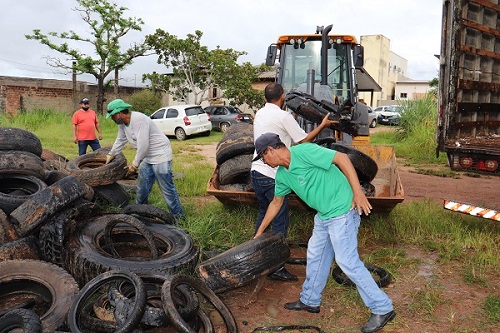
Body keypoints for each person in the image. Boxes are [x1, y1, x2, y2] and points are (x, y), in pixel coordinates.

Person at [253, 132, 395, 333]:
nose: (264, 162)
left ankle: (383, 308)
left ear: (270, 150)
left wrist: (357, 191)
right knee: (316, 255)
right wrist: (259, 232)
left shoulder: (303, 152)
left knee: (347, 261)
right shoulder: (283, 175)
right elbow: (276, 203)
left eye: (262, 156)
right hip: (324, 215)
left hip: (342, 210)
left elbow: (342, 158)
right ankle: (310, 300)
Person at [251, 82, 337, 281]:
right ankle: (277, 267)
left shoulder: (260, 113)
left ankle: (255, 255)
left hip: (256, 173)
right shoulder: (284, 116)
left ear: (265, 99)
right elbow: (303, 141)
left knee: (265, 213)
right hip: (273, 175)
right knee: (279, 222)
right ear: (282, 97)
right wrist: (322, 125)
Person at [105, 99, 185, 221]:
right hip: (147, 156)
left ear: (120, 113)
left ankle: (179, 218)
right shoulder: (122, 124)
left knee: (166, 188)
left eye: (113, 115)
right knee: (142, 187)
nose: (112, 118)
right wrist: (111, 154)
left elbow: (144, 145)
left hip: (160, 154)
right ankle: (141, 214)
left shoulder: (138, 120)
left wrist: (134, 164)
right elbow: (121, 139)